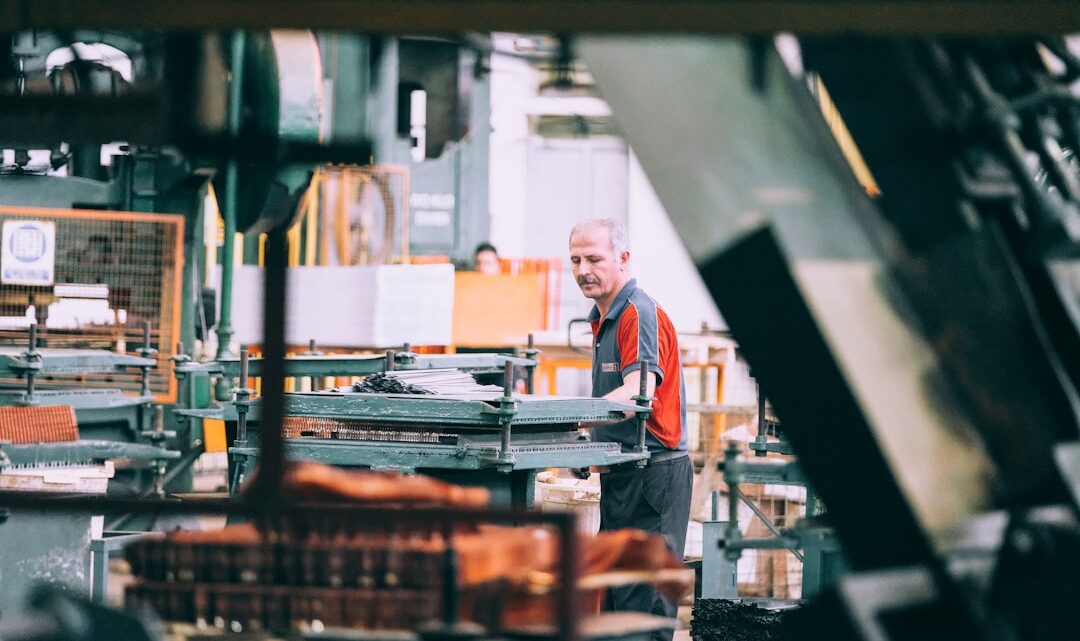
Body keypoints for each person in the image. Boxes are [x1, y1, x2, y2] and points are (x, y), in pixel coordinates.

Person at [569, 217, 692, 640]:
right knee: (619, 604)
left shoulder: (637, 313)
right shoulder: (601, 319)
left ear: (622, 258)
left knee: (646, 610)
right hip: (624, 475)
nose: (583, 269)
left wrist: (565, 420)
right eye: (575, 260)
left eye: (594, 258)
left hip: (654, 476)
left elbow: (638, 393)